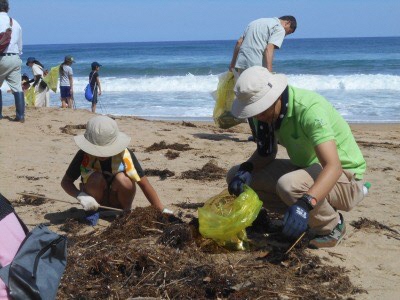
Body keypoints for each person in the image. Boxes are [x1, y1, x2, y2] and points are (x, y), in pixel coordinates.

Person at [227, 66, 367, 249]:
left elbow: (333, 166)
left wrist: (305, 203)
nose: (257, 117)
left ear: (275, 97)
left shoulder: (309, 110)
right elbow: (266, 153)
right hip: (307, 168)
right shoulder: (263, 115)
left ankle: (331, 225)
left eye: (260, 111)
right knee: (235, 175)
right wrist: (247, 169)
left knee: (289, 185)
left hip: (346, 177)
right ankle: (301, 217)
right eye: (253, 112)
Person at [61, 115, 172, 218]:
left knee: (123, 179)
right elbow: (66, 182)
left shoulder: (125, 155)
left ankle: (125, 211)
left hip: (118, 204)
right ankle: (95, 212)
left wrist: (161, 209)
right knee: (96, 178)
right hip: (94, 204)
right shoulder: (83, 154)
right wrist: (81, 196)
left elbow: (144, 184)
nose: (102, 154)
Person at [230, 16, 297, 75]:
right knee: (256, 88)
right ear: (288, 23)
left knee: (242, 88)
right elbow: (269, 48)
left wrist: (232, 65)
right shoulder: (279, 28)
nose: (285, 35)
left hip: (241, 63)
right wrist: (269, 72)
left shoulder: (255, 22)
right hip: (256, 65)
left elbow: (239, 42)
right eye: (288, 32)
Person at [0, 0, 24, 122]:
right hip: (14, 57)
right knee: (17, 88)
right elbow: (20, 47)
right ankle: (20, 116)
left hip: (1, 57)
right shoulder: (15, 23)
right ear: (7, 8)